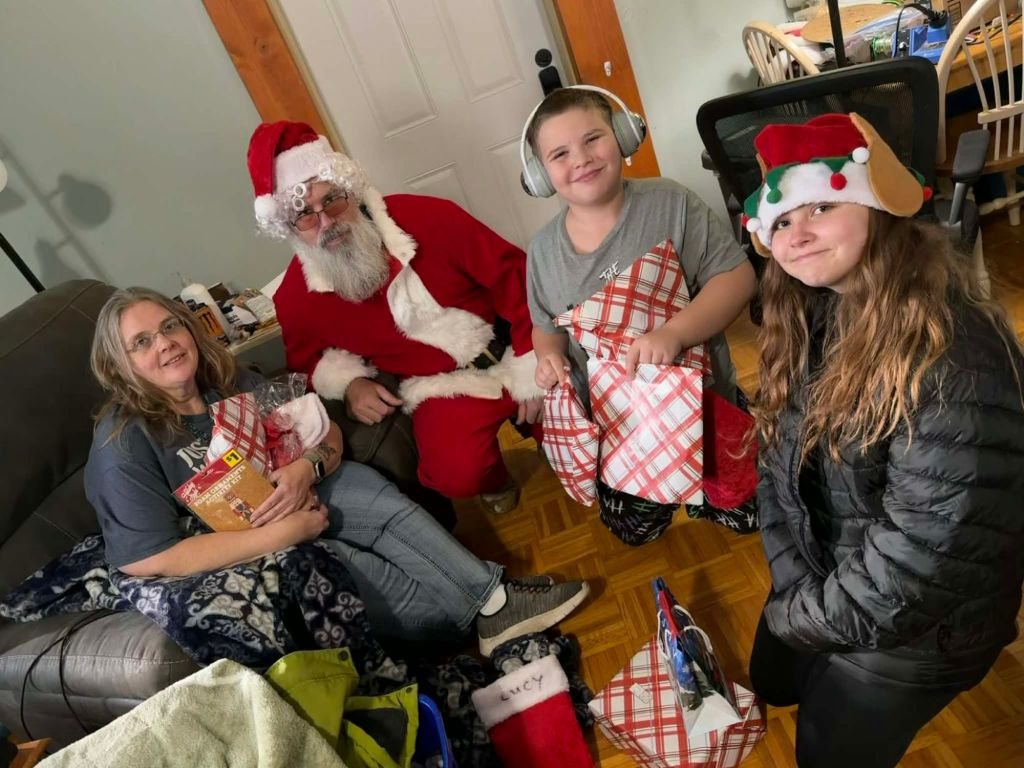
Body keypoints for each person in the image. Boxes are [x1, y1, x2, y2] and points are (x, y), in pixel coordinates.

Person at [83, 287, 589, 657]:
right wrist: (286, 534)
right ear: (119, 365)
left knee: (362, 485)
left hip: (293, 499)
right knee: (347, 565)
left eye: (170, 326)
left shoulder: (229, 381)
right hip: (238, 551)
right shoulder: (123, 441)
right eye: (141, 342)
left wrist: (305, 468)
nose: (165, 343)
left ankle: (492, 602)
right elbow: (149, 558)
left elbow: (327, 436)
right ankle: (481, 612)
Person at [743, 113, 1024, 768]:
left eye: (822, 206)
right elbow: (774, 458)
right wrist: (793, 581)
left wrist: (798, 613)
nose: (797, 234)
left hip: (926, 625)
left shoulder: (953, 359)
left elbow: (920, 560)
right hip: (832, 567)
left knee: (824, 755)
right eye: (781, 220)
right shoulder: (812, 309)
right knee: (771, 679)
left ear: (876, 205)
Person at [245, 121, 545, 515]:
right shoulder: (296, 298)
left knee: (582, 439)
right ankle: (495, 480)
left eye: (332, 200)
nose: (327, 222)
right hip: (442, 387)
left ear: (350, 190)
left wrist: (534, 361)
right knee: (456, 474)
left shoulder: (427, 216)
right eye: (304, 215)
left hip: (516, 348)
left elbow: (516, 278)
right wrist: (350, 385)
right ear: (289, 229)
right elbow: (308, 363)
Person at [522, 87, 758, 544]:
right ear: (540, 175)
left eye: (593, 138)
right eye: (560, 154)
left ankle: (711, 498)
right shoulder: (544, 252)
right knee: (635, 532)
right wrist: (548, 356)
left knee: (748, 508)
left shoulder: (671, 203)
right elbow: (545, 327)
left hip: (706, 406)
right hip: (621, 431)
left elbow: (738, 277)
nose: (581, 159)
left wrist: (675, 333)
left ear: (623, 135)